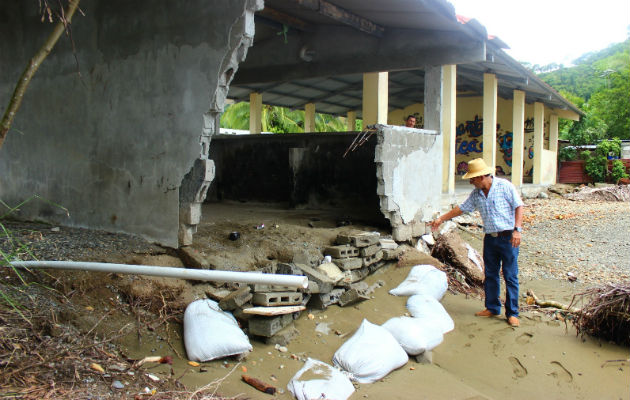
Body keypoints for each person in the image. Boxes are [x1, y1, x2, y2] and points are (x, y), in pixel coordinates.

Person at [430, 158, 524, 327]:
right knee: (491, 274)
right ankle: (493, 308)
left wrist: (517, 230)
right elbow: (461, 209)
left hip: (508, 237)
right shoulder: (476, 194)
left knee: (510, 275)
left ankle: (512, 313)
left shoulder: (505, 186)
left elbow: (519, 206)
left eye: (472, 179)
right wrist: (441, 219)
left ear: (481, 177)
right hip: (490, 239)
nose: (471, 182)